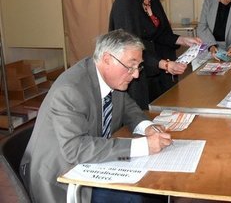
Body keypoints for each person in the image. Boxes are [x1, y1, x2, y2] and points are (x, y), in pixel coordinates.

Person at [20, 30, 173, 203]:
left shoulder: (110, 78)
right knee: (137, 196)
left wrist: (147, 127)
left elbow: (128, 108)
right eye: (131, 66)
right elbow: (75, 149)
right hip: (61, 175)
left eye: (138, 66)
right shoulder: (70, 90)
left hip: (90, 161)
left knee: (151, 186)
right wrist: (142, 146)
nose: (136, 74)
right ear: (107, 59)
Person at [109, 0, 202, 110]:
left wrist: (182, 39)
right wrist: (165, 65)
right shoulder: (126, 3)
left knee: (165, 112)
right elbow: (131, 50)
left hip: (157, 72)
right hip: (137, 76)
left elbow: (160, 34)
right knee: (143, 118)